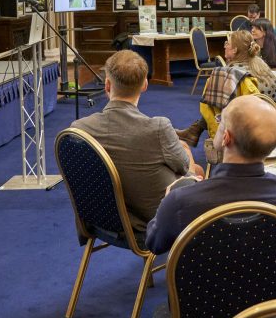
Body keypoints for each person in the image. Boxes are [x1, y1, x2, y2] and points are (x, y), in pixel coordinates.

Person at [144, 95, 276, 255]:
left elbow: (154, 244)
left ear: (226, 138)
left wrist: (167, 200)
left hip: (205, 283)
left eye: (220, 122)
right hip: (274, 283)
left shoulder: (181, 200)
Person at [71, 51, 203, 242]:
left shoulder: (79, 129)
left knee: (183, 150)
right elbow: (183, 168)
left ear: (107, 85)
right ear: (145, 85)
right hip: (150, 222)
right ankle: (192, 246)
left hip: (101, 220)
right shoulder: (158, 127)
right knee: (194, 167)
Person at [177, 29, 276, 147]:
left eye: (227, 43)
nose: (225, 46)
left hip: (251, 128)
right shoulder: (261, 65)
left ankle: (195, 130)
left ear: (235, 50)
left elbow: (213, 108)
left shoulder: (231, 74)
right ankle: (194, 130)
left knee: (215, 100)